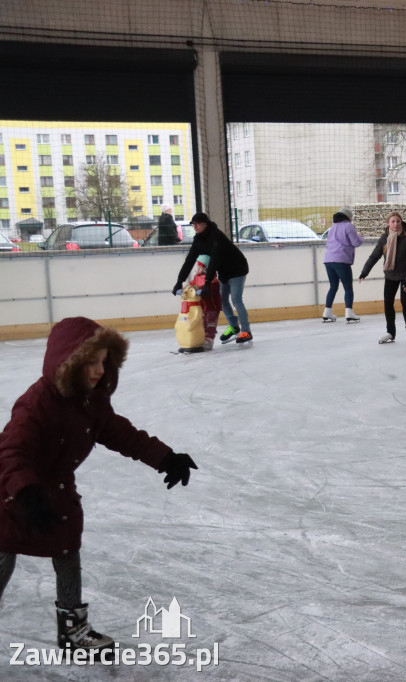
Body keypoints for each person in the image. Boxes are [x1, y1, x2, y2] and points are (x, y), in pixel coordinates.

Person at [0, 317, 197, 653]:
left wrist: (165, 458)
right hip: (14, 494)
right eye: (90, 362)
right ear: (68, 362)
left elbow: (121, 433)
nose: (98, 371)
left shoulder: (90, 401)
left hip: (58, 493)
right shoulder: (37, 402)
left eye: (104, 362)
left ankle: (73, 632)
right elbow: (10, 451)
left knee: (67, 552)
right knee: (3, 555)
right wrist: (26, 492)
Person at [174, 212, 253, 344]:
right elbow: (189, 260)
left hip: (237, 269)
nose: (195, 227)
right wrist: (179, 281)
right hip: (224, 272)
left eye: (197, 224)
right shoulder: (199, 239)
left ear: (205, 223)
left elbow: (214, 262)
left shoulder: (216, 237)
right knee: (222, 300)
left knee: (236, 300)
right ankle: (234, 326)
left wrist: (207, 283)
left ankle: (246, 331)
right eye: (193, 224)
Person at [359, 213, 406, 344]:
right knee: (388, 302)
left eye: (398, 221)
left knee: (405, 301)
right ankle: (390, 332)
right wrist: (364, 272)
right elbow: (374, 256)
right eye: (393, 221)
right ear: (388, 223)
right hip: (391, 274)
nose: (396, 224)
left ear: (401, 223)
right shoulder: (384, 239)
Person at [322, 208, 363, 323]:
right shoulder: (348, 226)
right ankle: (349, 313)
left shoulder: (332, 227)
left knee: (333, 286)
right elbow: (355, 242)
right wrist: (361, 236)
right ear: (348, 217)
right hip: (341, 260)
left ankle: (327, 312)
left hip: (328, 260)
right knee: (348, 288)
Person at [176, 254, 221, 353]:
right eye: (198, 267)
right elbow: (192, 285)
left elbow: (212, 289)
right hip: (202, 306)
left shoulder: (213, 279)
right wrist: (185, 289)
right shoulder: (197, 277)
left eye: (200, 267)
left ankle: (209, 341)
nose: (198, 269)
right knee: (202, 323)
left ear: (206, 268)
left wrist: (204, 290)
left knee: (210, 324)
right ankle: (200, 340)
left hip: (212, 307)